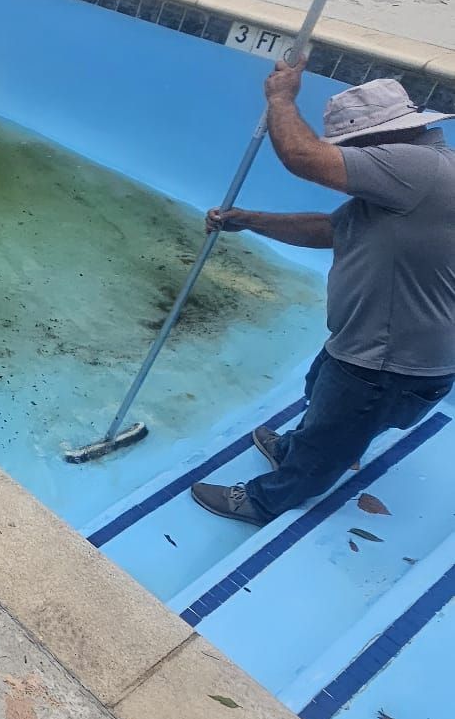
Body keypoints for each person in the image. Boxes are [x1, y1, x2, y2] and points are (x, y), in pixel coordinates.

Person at [191, 66, 455, 526]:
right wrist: (252, 219)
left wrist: (281, 99)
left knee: (335, 436)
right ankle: (301, 445)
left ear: (383, 138)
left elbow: (301, 156)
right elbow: (331, 230)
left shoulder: (418, 169)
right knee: (321, 393)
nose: (346, 157)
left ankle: (264, 500)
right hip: (365, 343)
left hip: (389, 361)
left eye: (351, 146)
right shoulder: (404, 184)